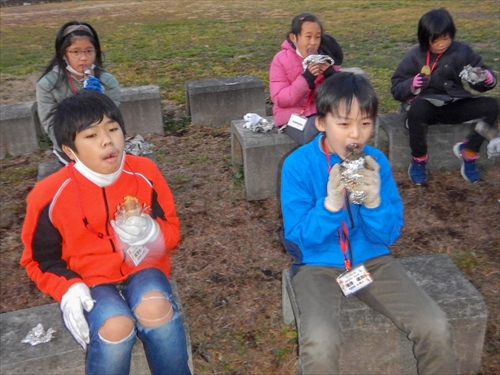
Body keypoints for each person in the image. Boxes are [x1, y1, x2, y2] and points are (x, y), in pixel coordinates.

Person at [280, 72, 457, 375]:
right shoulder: (297, 166)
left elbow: (388, 234)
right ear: (321, 122)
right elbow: (298, 240)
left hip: (372, 260)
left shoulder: (376, 161)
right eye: (344, 123)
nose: (355, 136)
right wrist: (330, 206)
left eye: (365, 123)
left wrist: (374, 202)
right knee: (320, 343)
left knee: (435, 325)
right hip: (317, 266)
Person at [20, 91, 191, 375]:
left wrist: (152, 231)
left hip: (144, 268)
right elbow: (37, 260)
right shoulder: (48, 195)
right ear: (69, 151)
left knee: (155, 309)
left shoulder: (144, 172)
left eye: (113, 129)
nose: (107, 141)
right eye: (90, 135)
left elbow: (172, 233)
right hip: (90, 281)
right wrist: (68, 288)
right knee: (115, 325)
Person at [391, 8, 499, 185]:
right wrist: (412, 84)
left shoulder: (461, 51)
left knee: (492, 106)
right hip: (427, 108)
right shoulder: (414, 56)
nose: (441, 44)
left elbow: (480, 76)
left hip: (456, 103)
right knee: (418, 108)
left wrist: (485, 77)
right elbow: (396, 88)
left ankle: (469, 152)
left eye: (446, 38)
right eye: (436, 40)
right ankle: (419, 159)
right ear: (425, 39)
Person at [36, 21, 120, 165]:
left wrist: (100, 100)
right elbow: (50, 124)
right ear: (64, 54)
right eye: (75, 52)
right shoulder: (48, 85)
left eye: (89, 51)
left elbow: (114, 121)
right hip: (69, 150)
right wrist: (76, 148)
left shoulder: (107, 81)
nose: (83, 57)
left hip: (104, 146)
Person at [269, 12, 343, 145]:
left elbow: (342, 93)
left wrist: (331, 75)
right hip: (292, 117)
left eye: (317, 37)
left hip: (323, 112)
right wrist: (306, 79)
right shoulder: (281, 59)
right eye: (308, 37)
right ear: (294, 37)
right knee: (315, 131)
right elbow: (280, 99)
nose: (313, 43)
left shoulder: (325, 57)